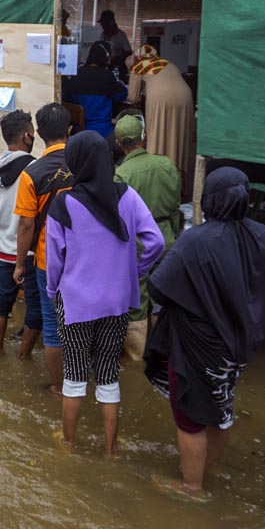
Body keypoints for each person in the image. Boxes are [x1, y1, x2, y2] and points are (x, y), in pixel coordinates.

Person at [145, 167, 265, 500]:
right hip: (238, 344)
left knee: (189, 415)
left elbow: (159, 288)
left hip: (197, 343)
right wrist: (259, 312)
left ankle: (192, 487)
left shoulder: (196, 239)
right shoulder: (264, 235)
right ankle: (212, 469)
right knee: (222, 404)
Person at [46, 131, 163, 454]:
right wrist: (135, 271)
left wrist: (52, 289)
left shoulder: (63, 204)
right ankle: (111, 450)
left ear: (77, 163)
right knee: (109, 376)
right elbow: (156, 241)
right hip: (116, 303)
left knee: (74, 376)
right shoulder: (127, 196)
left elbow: (55, 260)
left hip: (75, 303)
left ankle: (68, 442)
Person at [14, 103, 75, 394]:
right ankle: (82, 380)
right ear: (70, 131)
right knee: (79, 320)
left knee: (52, 326)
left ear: (37, 134)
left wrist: (17, 264)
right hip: (84, 258)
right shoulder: (85, 166)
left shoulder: (32, 173)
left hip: (47, 260)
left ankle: (58, 387)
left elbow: (26, 226)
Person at [113, 114, 181, 361]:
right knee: (163, 294)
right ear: (144, 138)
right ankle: (162, 352)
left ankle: (136, 358)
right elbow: (175, 205)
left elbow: (118, 218)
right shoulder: (166, 164)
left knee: (137, 300)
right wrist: (173, 232)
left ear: (120, 143)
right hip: (166, 235)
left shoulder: (121, 174)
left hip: (137, 243)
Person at [0, 110, 41, 357]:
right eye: (32, 130)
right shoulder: (33, 169)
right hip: (27, 251)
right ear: (25, 136)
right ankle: (23, 356)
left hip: (2, 247)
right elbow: (28, 221)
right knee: (36, 306)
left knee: (2, 300)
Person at [126, 44, 196, 176]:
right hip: (186, 98)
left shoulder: (139, 64)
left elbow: (133, 97)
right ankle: (178, 178)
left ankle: (157, 175)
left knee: (158, 134)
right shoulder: (167, 62)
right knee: (178, 136)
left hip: (160, 99)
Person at [62, 42, 128, 138]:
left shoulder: (76, 74)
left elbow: (66, 98)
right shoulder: (106, 76)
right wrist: (120, 84)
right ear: (106, 58)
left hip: (77, 132)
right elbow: (122, 95)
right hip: (102, 132)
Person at [98, 9, 133, 80]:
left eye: (105, 24)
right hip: (106, 68)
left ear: (111, 23)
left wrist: (118, 58)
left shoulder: (121, 35)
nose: (103, 26)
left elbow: (129, 51)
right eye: (102, 24)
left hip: (119, 69)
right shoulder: (102, 35)